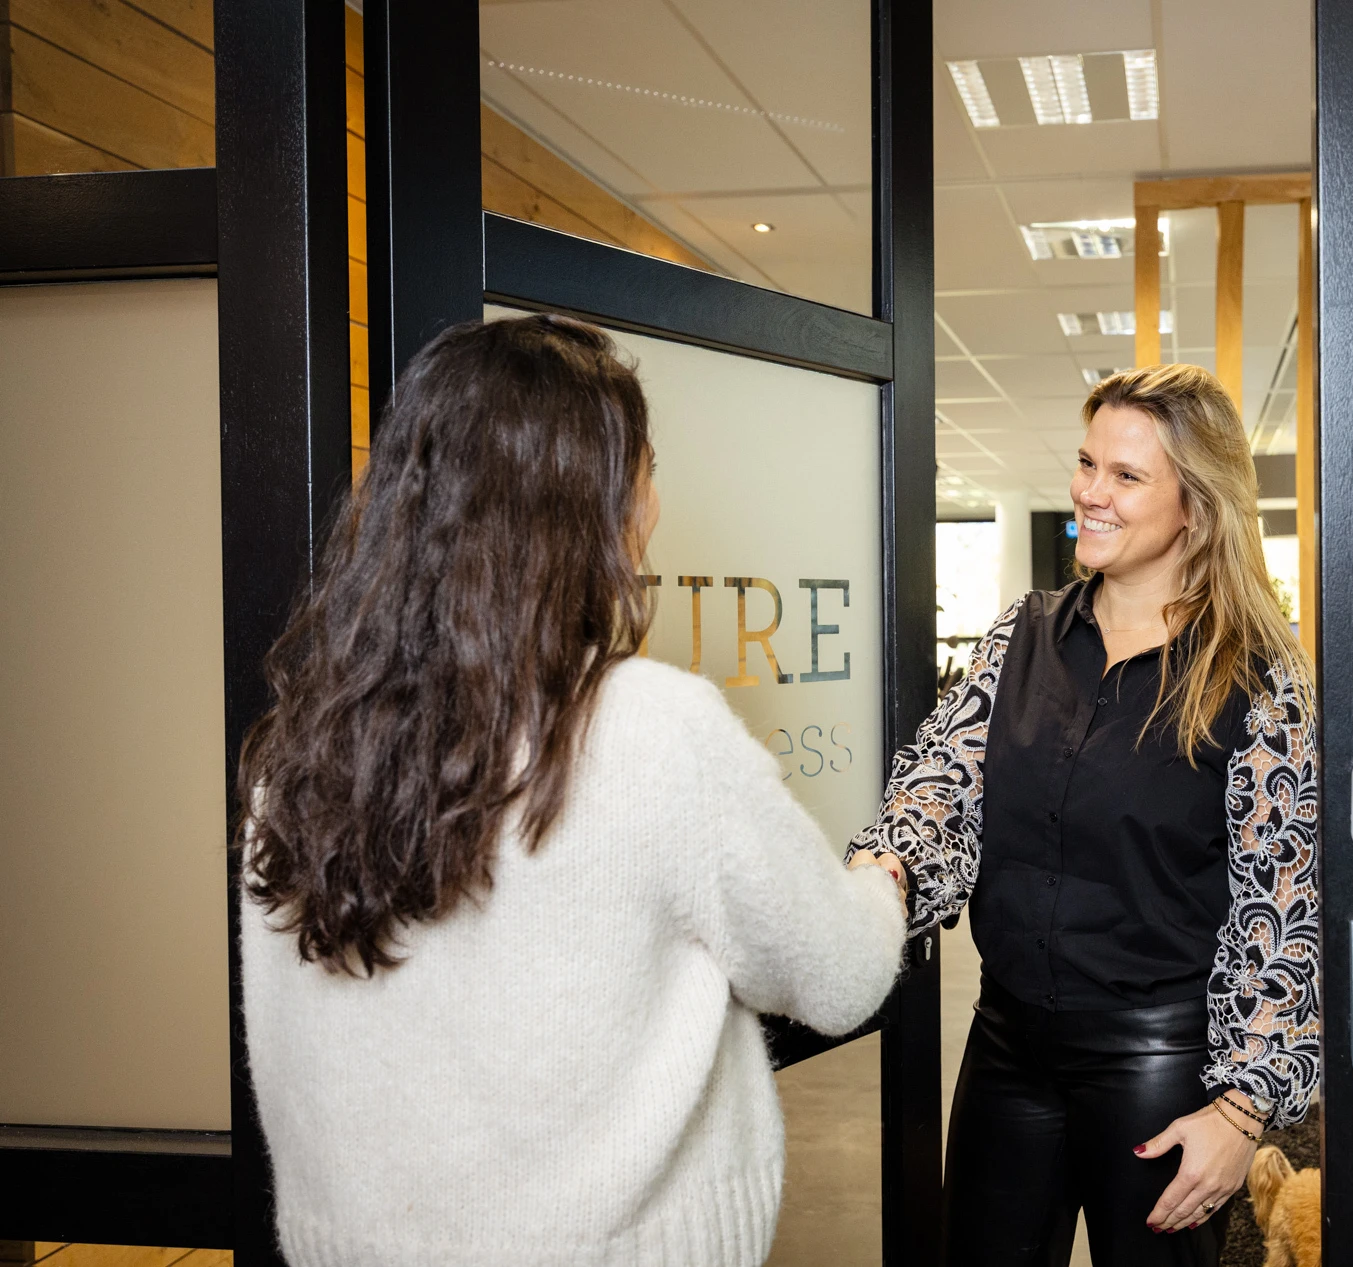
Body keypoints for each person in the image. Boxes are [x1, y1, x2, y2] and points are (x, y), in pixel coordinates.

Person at [235, 314, 906, 1267]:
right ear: (586, 506)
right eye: (643, 471)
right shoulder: (652, 728)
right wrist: (881, 878)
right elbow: (838, 977)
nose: (655, 506)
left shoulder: (300, 749)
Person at [849, 364, 1320, 1266]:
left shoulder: (1258, 678)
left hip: (1158, 1069)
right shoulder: (1021, 634)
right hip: (1006, 1049)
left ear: (1197, 507)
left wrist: (1239, 1113)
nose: (1089, 493)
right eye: (1086, 462)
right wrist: (887, 866)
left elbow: (1285, 908)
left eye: (1126, 475)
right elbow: (941, 787)